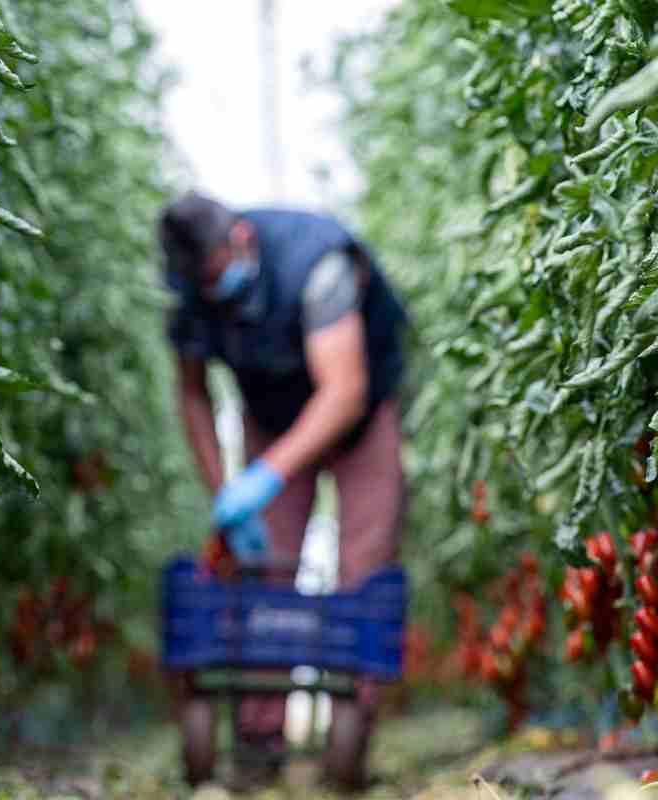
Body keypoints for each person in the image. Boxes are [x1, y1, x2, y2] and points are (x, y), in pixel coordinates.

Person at [158, 192, 408, 783]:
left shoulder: (318, 264)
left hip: (361, 417)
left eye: (219, 275)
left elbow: (343, 391)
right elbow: (192, 394)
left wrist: (266, 476)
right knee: (263, 572)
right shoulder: (192, 292)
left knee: (361, 570)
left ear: (241, 236)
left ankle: (351, 734)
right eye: (203, 283)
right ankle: (258, 743)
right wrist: (226, 492)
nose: (214, 289)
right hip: (269, 415)